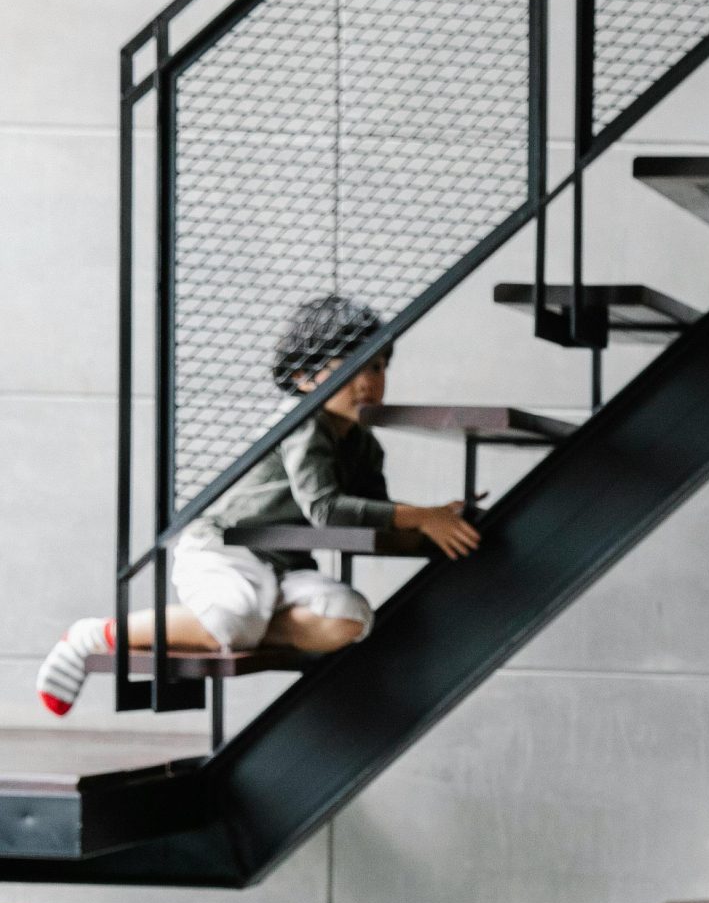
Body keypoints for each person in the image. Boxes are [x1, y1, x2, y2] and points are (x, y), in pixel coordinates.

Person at [35, 294, 480, 714]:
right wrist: (422, 516)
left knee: (353, 618)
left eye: (379, 366)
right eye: (351, 364)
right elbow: (327, 511)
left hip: (282, 566)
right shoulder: (301, 420)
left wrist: (438, 517)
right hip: (224, 550)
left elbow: (372, 513)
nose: (368, 381)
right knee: (231, 618)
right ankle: (95, 635)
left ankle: (250, 620)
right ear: (304, 377)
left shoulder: (364, 444)